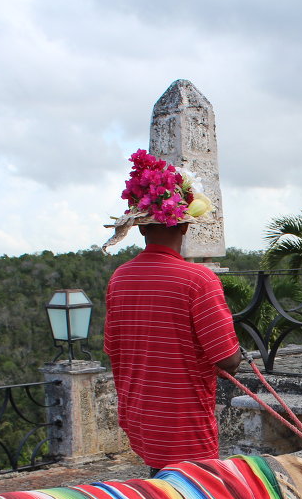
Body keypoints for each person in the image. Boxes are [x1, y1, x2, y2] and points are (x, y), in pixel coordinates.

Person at [102, 150, 242, 476]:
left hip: (143, 422)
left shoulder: (119, 278)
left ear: (140, 228)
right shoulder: (198, 280)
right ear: (184, 227)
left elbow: (115, 349)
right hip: (185, 427)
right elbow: (227, 360)